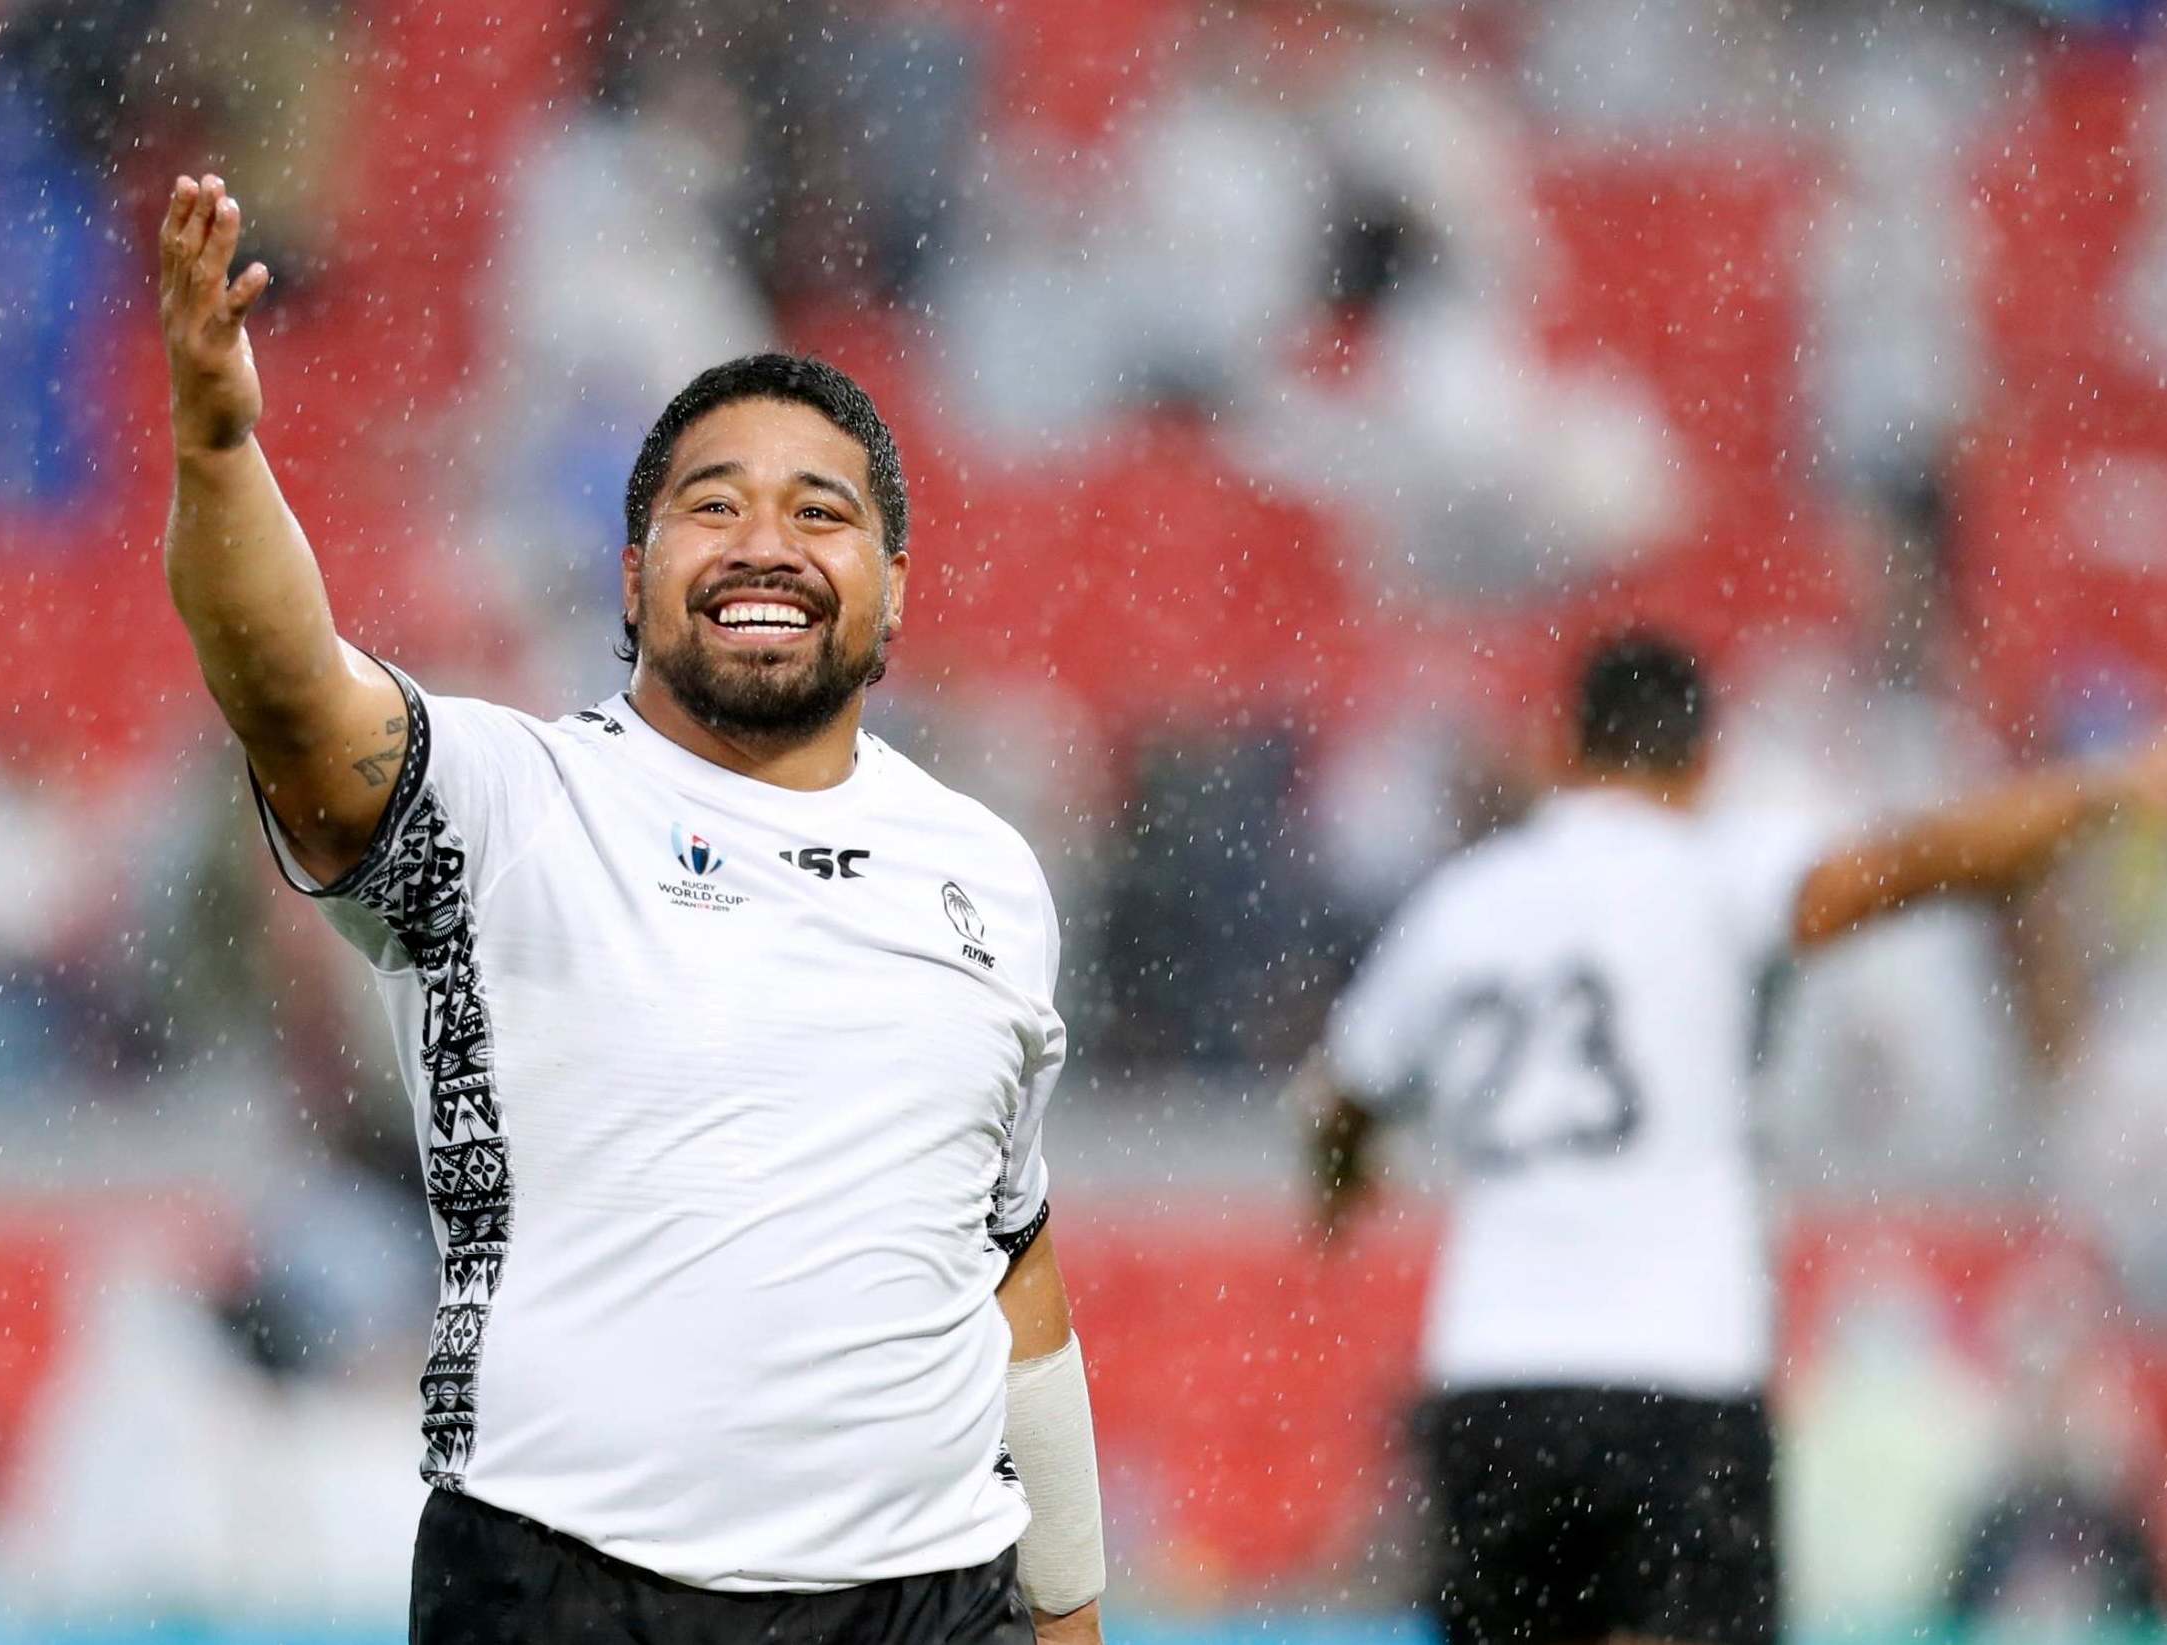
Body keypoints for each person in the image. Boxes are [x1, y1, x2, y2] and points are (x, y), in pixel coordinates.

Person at [158, 174, 1105, 1645]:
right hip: (572, 1589)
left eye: (822, 512)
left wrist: (1071, 1617)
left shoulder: (984, 872)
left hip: (929, 1605)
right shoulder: (508, 803)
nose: (764, 544)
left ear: (895, 588)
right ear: (632, 575)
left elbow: (1013, 1266)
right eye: (709, 506)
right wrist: (219, 450)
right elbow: (288, 690)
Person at [1291, 631, 2167, 1645]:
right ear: (1703, 758)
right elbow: (1912, 864)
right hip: (1676, 1372)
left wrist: (1343, 1184)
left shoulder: (1463, 904)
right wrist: (2099, 793)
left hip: (1496, 1382)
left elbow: (1337, 1098)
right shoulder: (1714, 870)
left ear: (1564, 748)